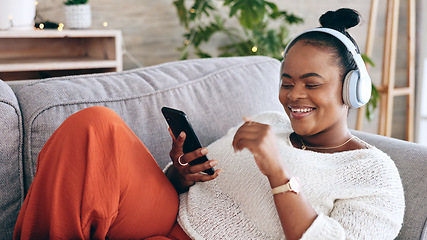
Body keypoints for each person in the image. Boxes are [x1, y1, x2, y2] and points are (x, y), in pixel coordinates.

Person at [14, 8, 404, 240]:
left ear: (352, 90)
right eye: (287, 82)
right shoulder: (269, 122)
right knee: (95, 124)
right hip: (166, 213)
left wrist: (277, 173)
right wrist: (181, 172)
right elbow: (196, 178)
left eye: (312, 84)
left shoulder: (374, 176)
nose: (294, 95)